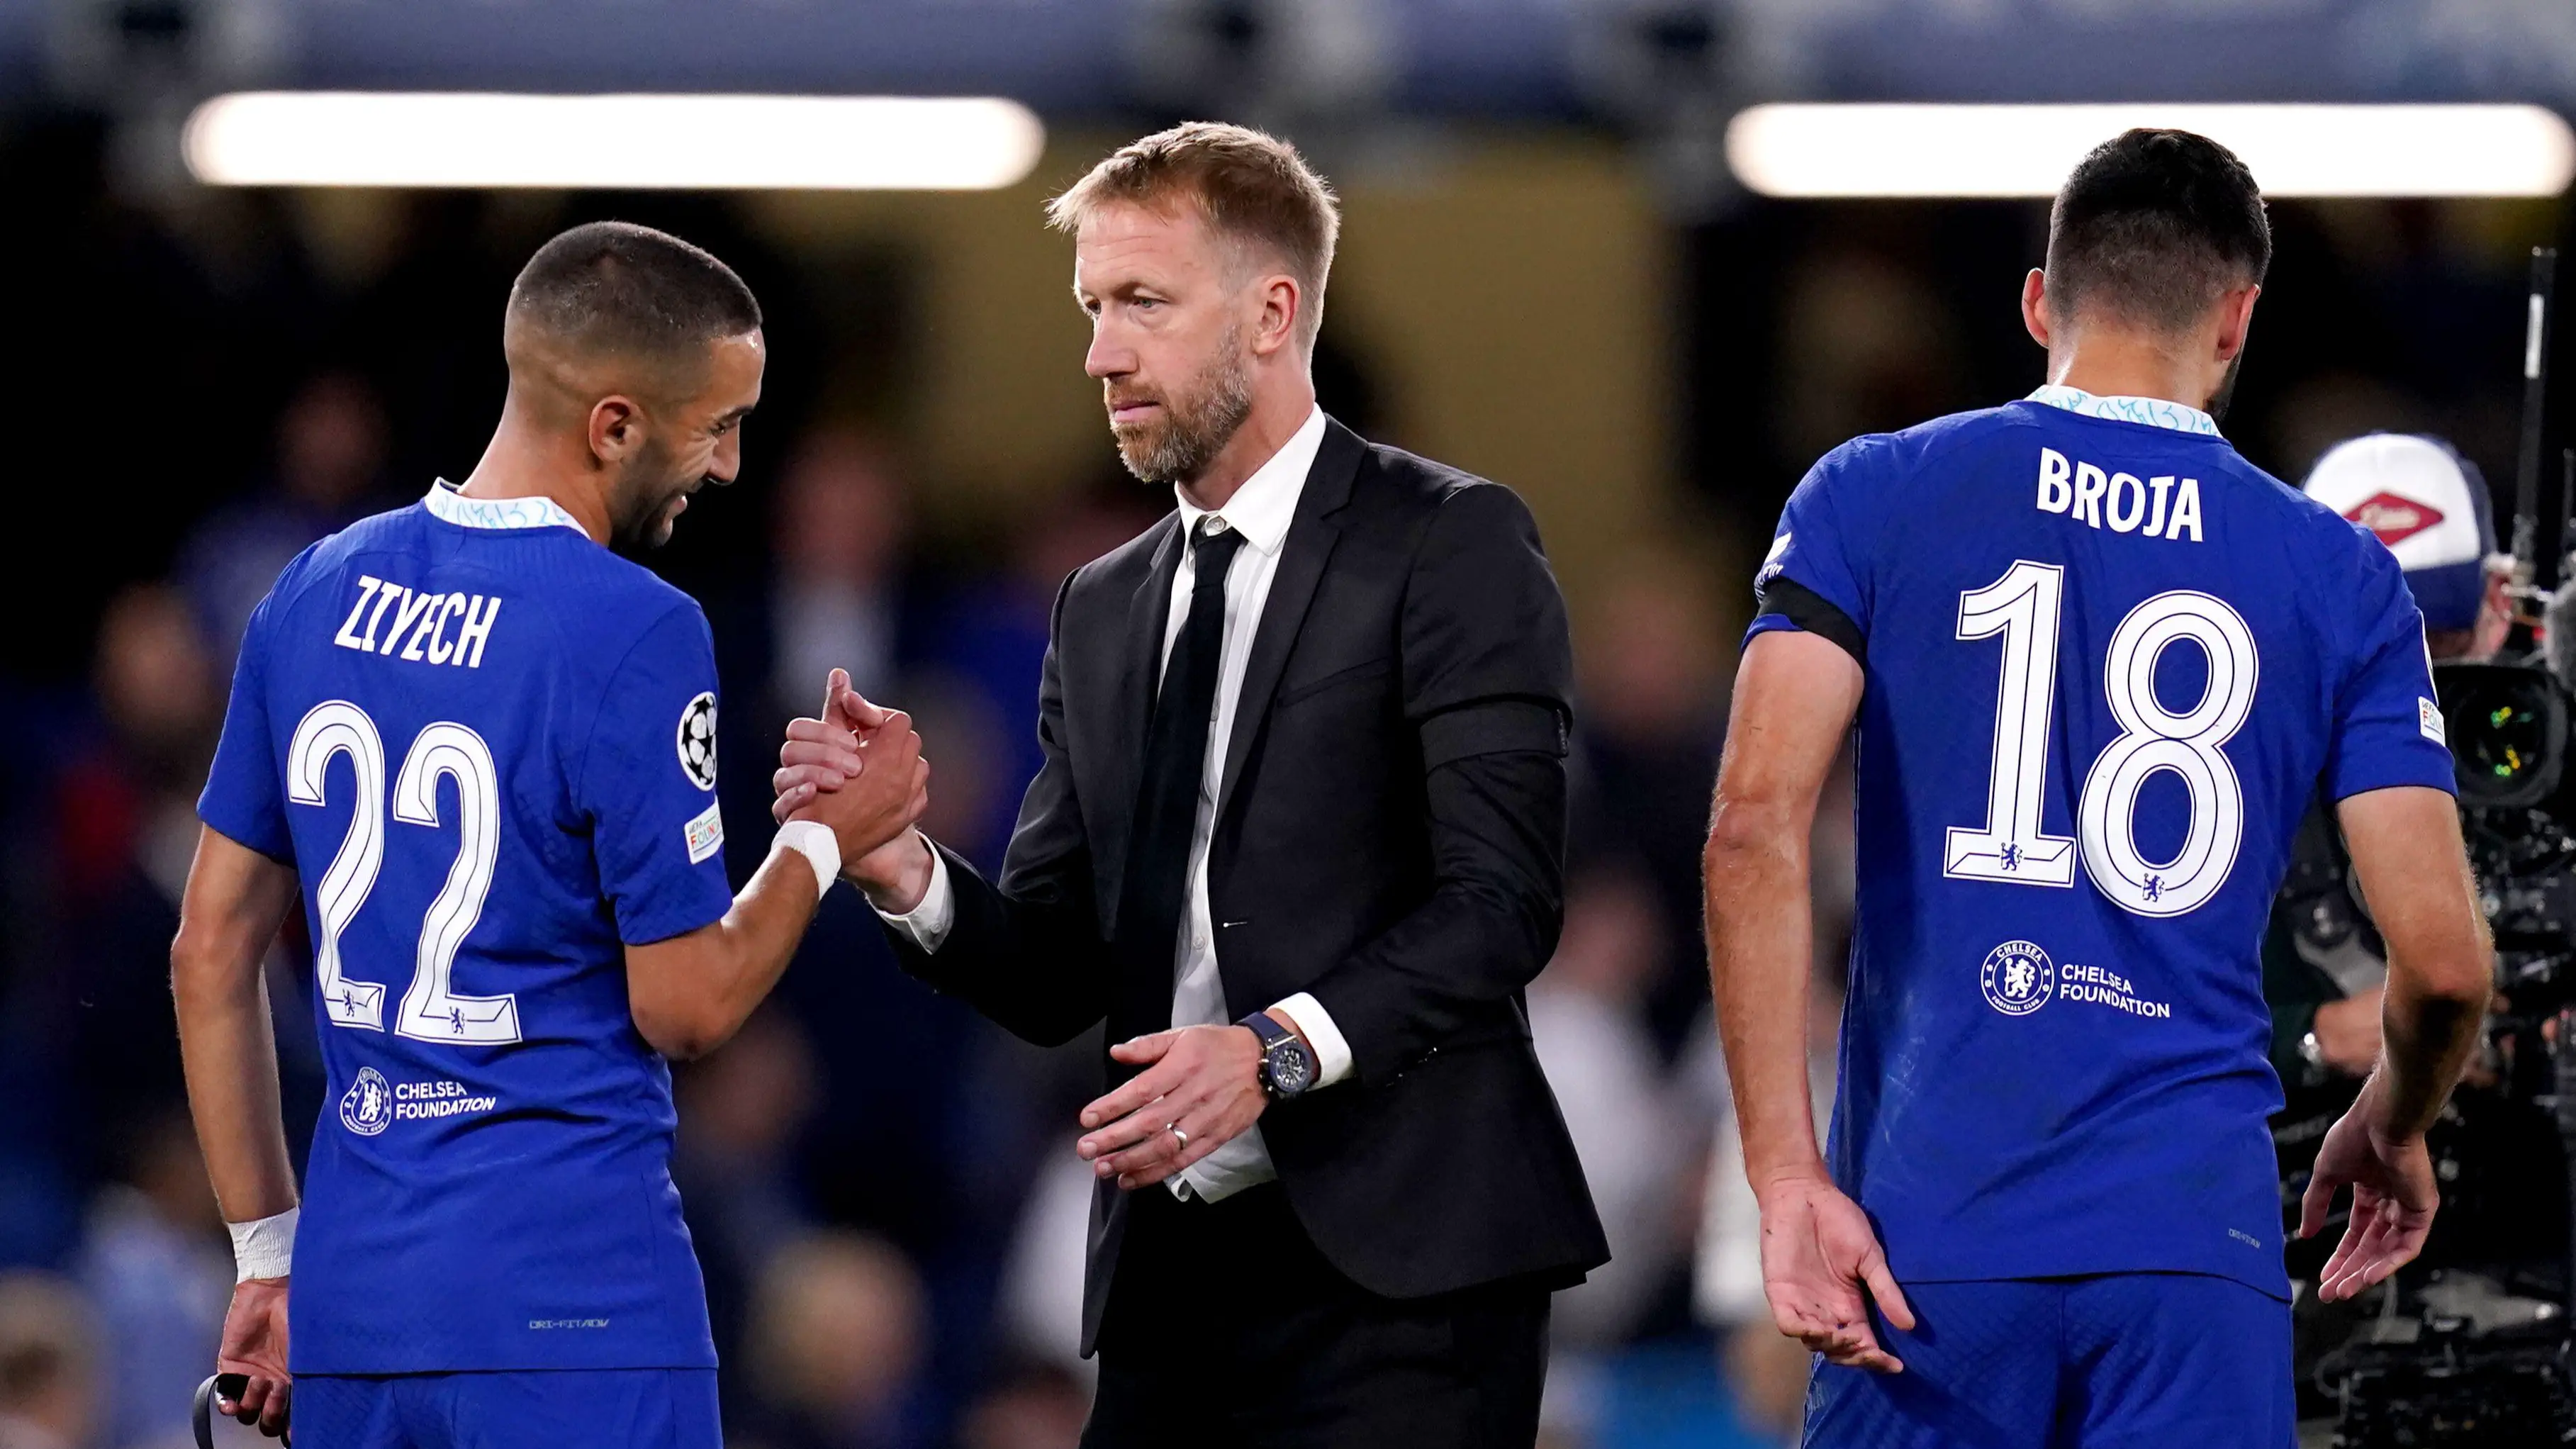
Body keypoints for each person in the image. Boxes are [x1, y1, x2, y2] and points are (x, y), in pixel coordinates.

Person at [775, 122, 1607, 1448]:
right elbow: (1056, 966)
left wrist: (1272, 1051)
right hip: (1172, 1283)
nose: (1102, 352)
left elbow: (1501, 899)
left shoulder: (1448, 538)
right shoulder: (1099, 607)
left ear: (1272, 311)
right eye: (1093, 308)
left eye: (1143, 304)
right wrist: (903, 866)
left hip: (1404, 1283)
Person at [1703, 129, 2495, 1445]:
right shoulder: (2340, 575)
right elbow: (2444, 964)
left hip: (1926, 1243)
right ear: (2237, 319)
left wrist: (1785, 1179)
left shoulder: (1870, 492)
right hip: (2194, 1248)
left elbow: (1748, 827)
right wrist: (2387, 1118)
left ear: (2036, 302)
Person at [172, 221, 929, 1446]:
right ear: (615, 424)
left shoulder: (310, 589)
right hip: (576, 1309)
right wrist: (822, 837)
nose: (731, 464)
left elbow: (209, 948)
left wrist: (268, 1255)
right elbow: (685, 1004)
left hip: (359, 1307)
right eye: (716, 424)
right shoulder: (635, 628)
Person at [2270, 433, 2508, 1090]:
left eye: (2436, 639)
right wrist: (2314, 1035)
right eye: (2371, 651)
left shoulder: (2557, 762)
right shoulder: (2245, 787)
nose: (2409, 685)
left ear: (2502, 605)